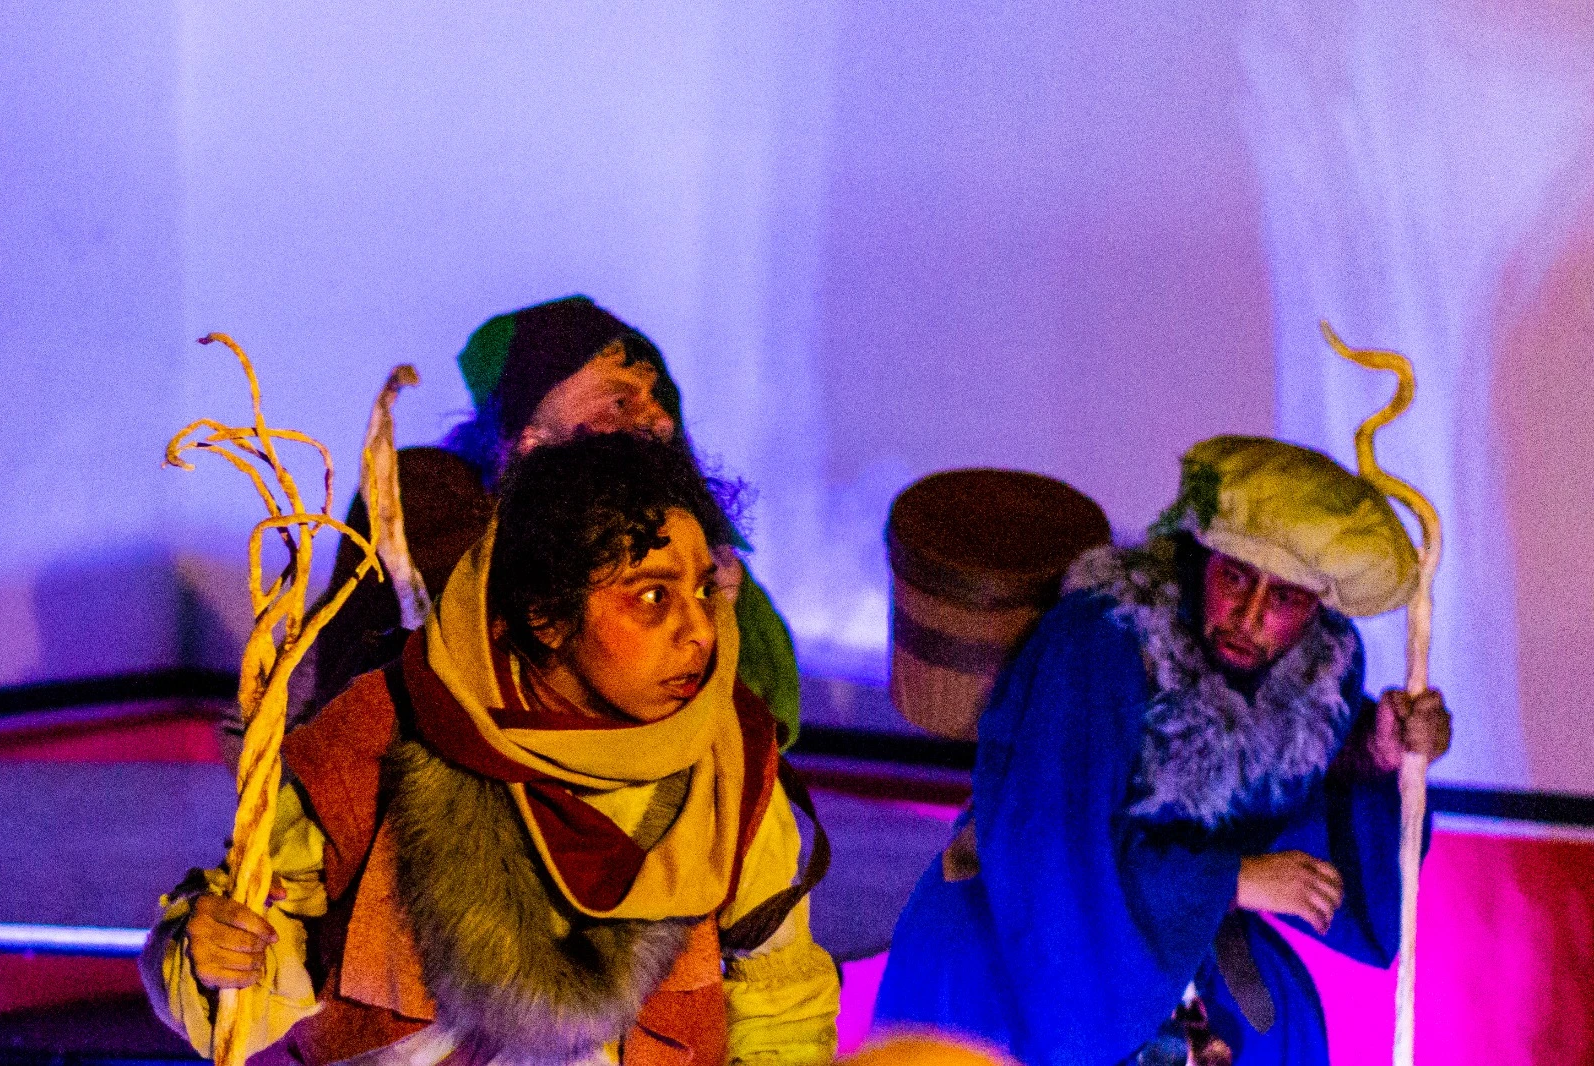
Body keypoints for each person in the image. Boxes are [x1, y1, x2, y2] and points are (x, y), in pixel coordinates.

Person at [142, 433, 840, 1065]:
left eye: (704, 590)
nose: (701, 630)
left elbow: (779, 1003)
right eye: (653, 597)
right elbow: (260, 957)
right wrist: (210, 955)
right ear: (546, 614)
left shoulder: (729, 759)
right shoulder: (383, 733)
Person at [873, 435, 1453, 1065]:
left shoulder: (1309, 678)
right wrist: (1231, 880)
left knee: (1280, 1034)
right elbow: (1053, 848)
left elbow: (1288, 786)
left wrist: (1376, 752)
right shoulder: (1100, 644)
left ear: (1316, 609)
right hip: (1039, 946)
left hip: (1182, 940)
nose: (1248, 616)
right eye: (1235, 577)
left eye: (1284, 598)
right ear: (1201, 558)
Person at [308, 295, 803, 748]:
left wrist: (721, 603)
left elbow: (773, 716)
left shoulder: (690, 541)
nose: (660, 420)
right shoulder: (428, 492)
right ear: (530, 439)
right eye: (620, 401)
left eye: (659, 398)